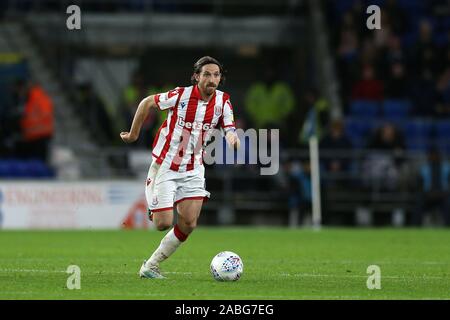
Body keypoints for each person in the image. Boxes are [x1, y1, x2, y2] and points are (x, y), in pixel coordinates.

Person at [120, 56, 240, 278]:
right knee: (162, 223)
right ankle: (152, 200)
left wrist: (232, 137)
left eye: (216, 75)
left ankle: (150, 266)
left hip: (194, 168)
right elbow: (147, 102)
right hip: (167, 164)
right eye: (206, 74)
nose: (212, 79)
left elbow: (229, 125)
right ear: (196, 76)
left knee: (189, 222)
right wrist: (133, 134)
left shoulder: (223, 101)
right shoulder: (181, 95)